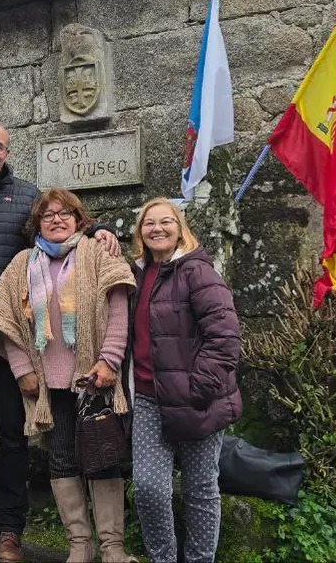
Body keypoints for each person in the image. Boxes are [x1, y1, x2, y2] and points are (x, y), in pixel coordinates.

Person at [0, 121, 120, 563]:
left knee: (13, 431)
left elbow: (61, 227)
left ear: (7, 151)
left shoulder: (26, 195)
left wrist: (100, 229)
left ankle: (10, 528)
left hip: (16, 335)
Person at [0, 188, 136, 563]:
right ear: (38, 224)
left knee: (103, 459)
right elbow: (7, 321)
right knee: (61, 459)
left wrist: (110, 361)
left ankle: (112, 547)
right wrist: (22, 370)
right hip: (50, 385)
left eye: (65, 214)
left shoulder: (98, 252)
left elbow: (118, 308)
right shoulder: (22, 263)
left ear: (79, 220)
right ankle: (79, 545)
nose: (57, 220)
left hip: (94, 379)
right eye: (48, 215)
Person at [127, 198, 241, 563]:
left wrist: (197, 390)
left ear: (180, 230)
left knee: (201, 489)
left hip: (199, 400)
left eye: (166, 222)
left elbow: (224, 338)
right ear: (140, 233)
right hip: (149, 399)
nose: (157, 228)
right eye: (149, 223)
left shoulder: (198, 272)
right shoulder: (137, 274)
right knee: (148, 488)